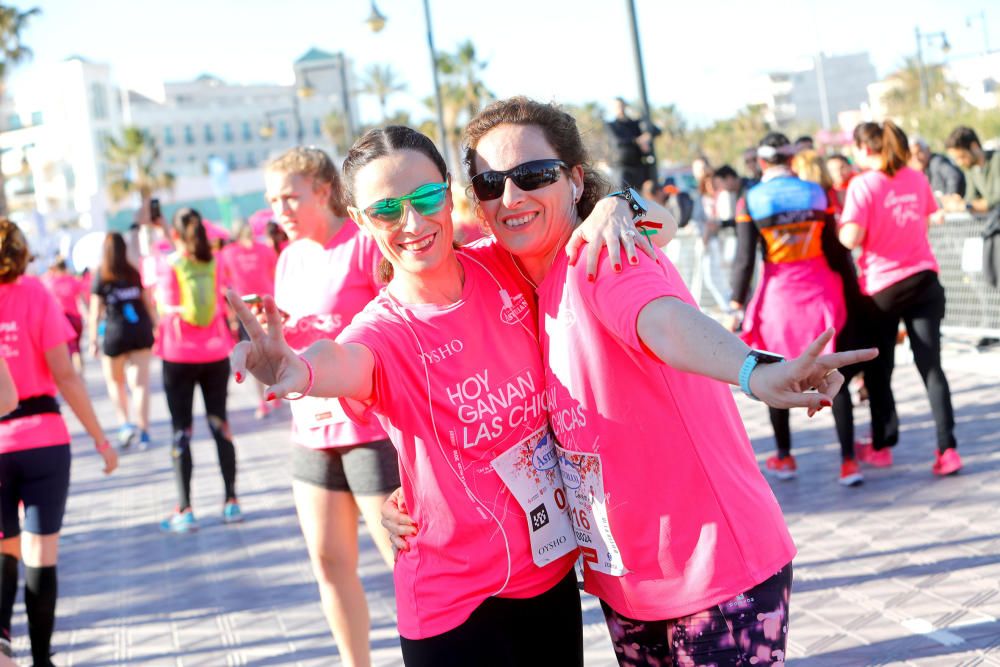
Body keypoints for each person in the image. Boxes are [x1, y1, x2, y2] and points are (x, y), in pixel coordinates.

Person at [387, 96, 876, 666]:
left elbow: (662, 321)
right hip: (630, 582)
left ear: (574, 180)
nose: (511, 197)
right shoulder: (513, 277)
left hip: (713, 573)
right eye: (491, 184)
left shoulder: (604, 257)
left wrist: (752, 370)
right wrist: (416, 494)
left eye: (533, 176)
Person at [236, 126, 652, 667]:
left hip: (548, 578)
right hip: (451, 602)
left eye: (426, 197)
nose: (412, 223)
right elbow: (342, 361)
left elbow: (656, 229)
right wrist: (298, 368)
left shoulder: (505, 266)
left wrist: (615, 206)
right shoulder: (382, 330)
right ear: (361, 221)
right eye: (386, 210)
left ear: (449, 190)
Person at [261, 146, 399, 667]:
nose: (281, 210)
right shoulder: (289, 258)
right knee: (328, 561)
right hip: (310, 434)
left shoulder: (364, 245)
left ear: (323, 191)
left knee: (401, 563)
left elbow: (394, 326)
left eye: (290, 197)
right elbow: (290, 343)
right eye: (273, 200)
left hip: (370, 431)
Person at [0, 219, 118, 666]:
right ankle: (43, 658)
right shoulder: (35, 293)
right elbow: (65, 374)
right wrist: (101, 440)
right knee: (41, 551)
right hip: (43, 438)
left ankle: (2, 644)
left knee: (4, 546)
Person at [731, 133, 868, 485]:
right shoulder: (816, 192)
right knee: (834, 373)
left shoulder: (751, 199)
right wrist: (855, 298)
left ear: (762, 163)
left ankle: (785, 456)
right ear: (791, 161)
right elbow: (839, 252)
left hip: (779, 301)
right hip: (823, 294)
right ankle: (849, 462)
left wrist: (735, 302)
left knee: (777, 373)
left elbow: (745, 258)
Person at [840, 121, 961, 476]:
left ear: (864, 148)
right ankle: (948, 449)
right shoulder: (915, 178)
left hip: (884, 287)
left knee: (881, 368)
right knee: (932, 368)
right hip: (924, 279)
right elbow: (924, 220)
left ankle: (882, 445)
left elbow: (851, 238)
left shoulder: (863, 185)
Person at [154, 208, 240, 531]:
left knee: (181, 429)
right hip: (216, 352)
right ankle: (232, 501)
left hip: (178, 356)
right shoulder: (214, 262)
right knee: (220, 424)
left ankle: (186, 509)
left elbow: (165, 307)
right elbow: (222, 303)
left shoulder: (171, 265)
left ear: (176, 234)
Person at [88, 233, 157, 450]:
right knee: (140, 385)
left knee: (115, 382)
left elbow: (94, 312)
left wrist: (92, 341)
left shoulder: (101, 275)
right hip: (139, 333)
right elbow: (147, 303)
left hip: (115, 334)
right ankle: (144, 430)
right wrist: (156, 325)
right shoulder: (133, 272)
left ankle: (125, 425)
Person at [219, 220, 278, 419]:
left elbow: (223, 286)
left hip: (246, 311)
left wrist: (230, 314)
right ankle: (274, 390)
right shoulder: (263, 249)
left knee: (255, 355)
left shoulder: (228, 253)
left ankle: (264, 400)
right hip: (267, 306)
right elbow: (275, 274)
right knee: (274, 350)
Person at [39, 258, 87, 373]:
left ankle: (70, 373)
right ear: (65, 268)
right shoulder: (73, 280)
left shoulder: (49, 282)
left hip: (60, 320)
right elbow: (82, 301)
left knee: (65, 350)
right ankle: (80, 376)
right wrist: (87, 316)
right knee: (77, 350)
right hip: (75, 318)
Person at [944, 125, 1000, 215]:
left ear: (974, 146)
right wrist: (958, 202)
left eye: (962, 157)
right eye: (956, 159)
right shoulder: (970, 169)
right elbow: (971, 198)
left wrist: (967, 205)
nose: (960, 163)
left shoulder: (997, 160)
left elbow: (997, 199)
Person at [607, 97, 659, 189]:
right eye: (617, 106)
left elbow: (656, 131)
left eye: (621, 105)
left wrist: (646, 136)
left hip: (638, 167)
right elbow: (617, 141)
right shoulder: (611, 125)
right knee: (625, 197)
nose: (620, 108)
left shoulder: (634, 123)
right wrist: (637, 140)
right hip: (622, 168)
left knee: (639, 197)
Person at [910, 136, 966, 205]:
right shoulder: (920, 171)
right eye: (911, 155)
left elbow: (953, 176)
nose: (916, 158)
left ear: (928, 150)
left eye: (918, 152)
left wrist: (950, 198)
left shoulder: (937, 162)